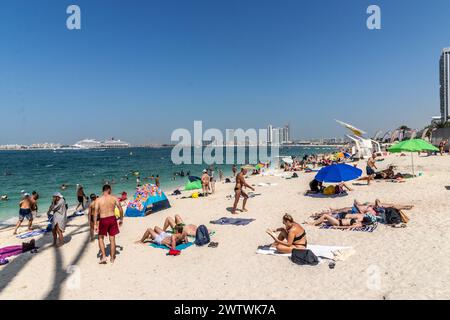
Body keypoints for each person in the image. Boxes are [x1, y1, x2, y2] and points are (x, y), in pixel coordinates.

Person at [94, 185, 124, 264]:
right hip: (112, 219)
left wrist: (95, 224)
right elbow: (120, 208)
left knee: (100, 238)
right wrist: (121, 219)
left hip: (103, 219)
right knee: (112, 239)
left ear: (103, 190)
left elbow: (96, 212)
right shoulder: (114, 198)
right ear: (109, 190)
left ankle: (104, 257)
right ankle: (112, 258)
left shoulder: (98, 200)